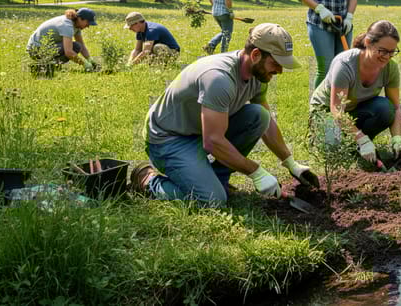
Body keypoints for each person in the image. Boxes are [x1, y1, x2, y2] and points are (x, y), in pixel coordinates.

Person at [131, 23, 316, 206]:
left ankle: (217, 179)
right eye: (276, 63)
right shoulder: (219, 78)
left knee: (259, 115)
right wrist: (256, 172)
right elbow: (212, 141)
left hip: (199, 130)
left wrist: (290, 163)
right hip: (168, 138)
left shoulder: (258, 75)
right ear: (256, 55)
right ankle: (148, 180)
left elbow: (266, 123)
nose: (280, 71)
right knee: (212, 200)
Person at [309, 20, 401, 167]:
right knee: (332, 148)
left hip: (355, 109)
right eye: (382, 51)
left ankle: (356, 140)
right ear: (368, 42)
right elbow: (336, 110)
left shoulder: (390, 68)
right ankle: (348, 138)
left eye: (392, 52)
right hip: (326, 110)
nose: (387, 56)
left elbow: (397, 107)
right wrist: (361, 139)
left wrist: (397, 138)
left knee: (386, 108)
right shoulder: (345, 65)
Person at [26, 8, 99, 70]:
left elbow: (82, 46)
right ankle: (47, 65)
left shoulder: (76, 25)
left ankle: (50, 65)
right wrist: (84, 64)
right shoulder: (67, 25)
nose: (88, 26)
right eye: (88, 23)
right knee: (75, 47)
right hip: (36, 50)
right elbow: (68, 52)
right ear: (80, 18)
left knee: (78, 46)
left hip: (45, 48)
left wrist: (89, 59)